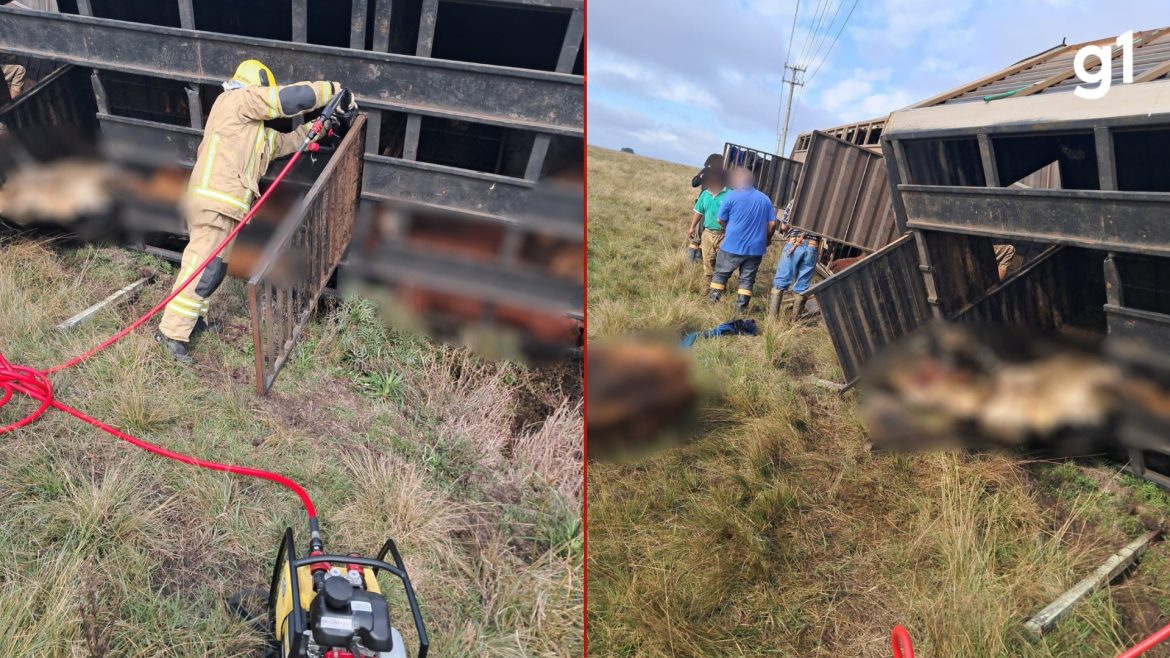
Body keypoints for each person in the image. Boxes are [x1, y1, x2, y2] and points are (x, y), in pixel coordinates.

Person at [155, 59, 357, 364]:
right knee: (201, 269)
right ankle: (171, 333)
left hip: (226, 208)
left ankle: (193, 320)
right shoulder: (236, 101)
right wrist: (333, 91)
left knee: (213, 271)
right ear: (255, 87)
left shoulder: (252, 132)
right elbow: (287, 101)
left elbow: (288, 141)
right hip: (214, 203)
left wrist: (323, 127)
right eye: (264, 92)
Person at [708, 168, 778, 312]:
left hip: (732, 245)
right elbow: (772, 224)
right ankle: (741, 309)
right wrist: (767, 239)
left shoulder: (732, 196)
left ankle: (713, 304)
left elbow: (720, 219)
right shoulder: (765, 199)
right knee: (747, 279)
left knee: (721, 273)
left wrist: (728, 228)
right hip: (755, 249)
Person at [768, 200, 822, 321]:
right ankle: (794, 321)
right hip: (812, 247)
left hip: (794, 244)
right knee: (803, 285)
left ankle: (771, 322)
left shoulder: (795, 200)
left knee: (781, 281)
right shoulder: (826, 204)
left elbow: (784, 226)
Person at [687, 167, 729, 290]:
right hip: (708, 233)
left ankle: (719, 289)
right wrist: (692, 227)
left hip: (725, 235)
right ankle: (708, 286)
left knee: (722, 262)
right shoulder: (705, 194)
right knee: (708, 262)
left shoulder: (731, 194)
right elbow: (698, 211)